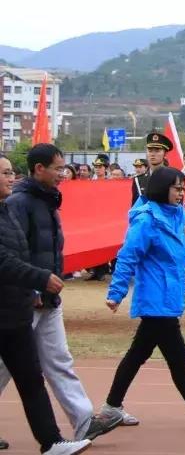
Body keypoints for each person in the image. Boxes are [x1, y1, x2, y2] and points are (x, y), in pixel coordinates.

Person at [0, 144, 123, 441]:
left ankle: (83, 420)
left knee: (58, 360)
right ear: (39, 169)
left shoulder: (49, 200)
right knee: (7, 365)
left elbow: (49, 249)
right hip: (25, 298)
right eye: (57, 168)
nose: (63, 174)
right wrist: (34, 285)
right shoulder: (18, 203)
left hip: (47, 296)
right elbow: (15, 253)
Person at [102, 166, 185, 427]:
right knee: (176, 354)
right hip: (154, 299)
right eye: (176, 188)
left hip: (169, 298)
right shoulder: (146, 220)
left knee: (140, 354)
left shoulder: (177, 216)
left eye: (183, 188)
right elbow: (127, 256)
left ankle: (112, 406)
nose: (181, 193)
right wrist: (116, 292)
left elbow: (183, 254)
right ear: (161, 188)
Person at [132, 132, 171, 204]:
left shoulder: (173, 177)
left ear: (165, 154)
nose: (153, 154)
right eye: (150, 151)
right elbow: (134, 207)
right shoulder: (138, 180)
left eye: (157, 151)